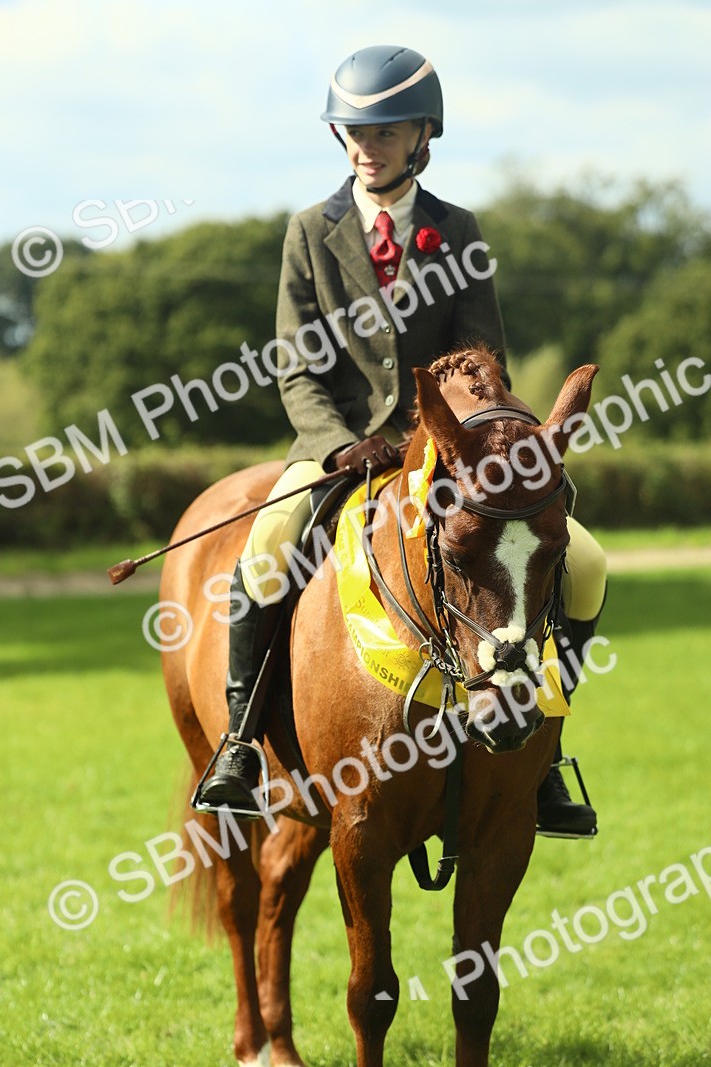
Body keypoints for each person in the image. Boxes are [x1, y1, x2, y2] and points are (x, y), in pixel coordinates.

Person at [194, 45, 606, 835]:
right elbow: (295, 368)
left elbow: (484, 365)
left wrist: (431, 440)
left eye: (383, 131)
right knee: (268, 545)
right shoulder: (310, 231)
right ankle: (241, 743)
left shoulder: (460, 232)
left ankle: (546, 750)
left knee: (582, 561)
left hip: (447, 454)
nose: (365, 144)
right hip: (335, 449)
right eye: (352, 129)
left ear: (424, 136)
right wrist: (342, 444)